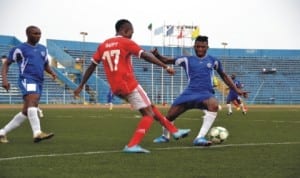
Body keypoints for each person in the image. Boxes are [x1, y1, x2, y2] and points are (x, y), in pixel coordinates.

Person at [74, 19, 190, 153]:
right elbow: (145, 55)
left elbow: (91, 66)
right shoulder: (126, 42)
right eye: (131, 33)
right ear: (125, 30)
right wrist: (165, 66)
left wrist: (81, 85)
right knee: (148, 115)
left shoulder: (103, 45)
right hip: (129, 83)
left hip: (116, 87)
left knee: (149, 106)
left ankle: (173, 130)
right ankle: (132, 145)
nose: (131, 35)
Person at [151, 35, 248, 146]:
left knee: (214, 105)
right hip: (189, 93)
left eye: (203, 47)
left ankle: (199, 138)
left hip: (205, 94)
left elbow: (224, 76)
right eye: (198, 47)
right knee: (169, 117)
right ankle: (165, 136)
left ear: (207, 47)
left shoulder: (214, 61)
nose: (200, 49)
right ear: (194, 47)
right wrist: (157, 54)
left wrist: (236, 89)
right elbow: (166, 60)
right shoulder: (186, 59)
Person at [0, 25, 56, 144]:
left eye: (39, 33)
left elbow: (45, 64)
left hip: (39, 81)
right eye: (35, 33)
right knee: (33, 100)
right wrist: (4, 80)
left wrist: (51, 72)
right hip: (27, 79)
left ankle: (2, 132)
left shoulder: (43, 49)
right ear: (28, 34)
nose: (38, 36)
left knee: (26, 111)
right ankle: (37, 133)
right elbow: (6, 64)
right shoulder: (19, 49)